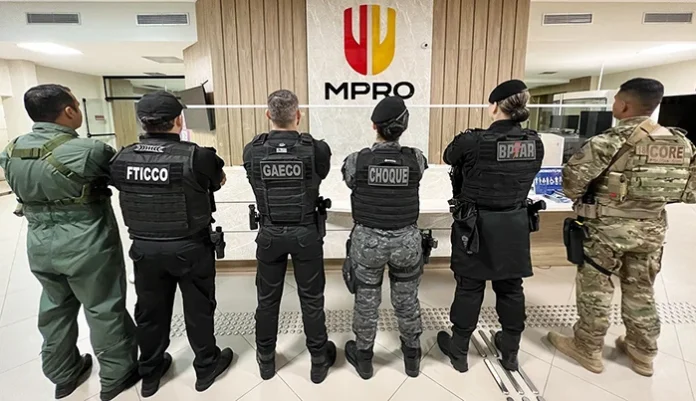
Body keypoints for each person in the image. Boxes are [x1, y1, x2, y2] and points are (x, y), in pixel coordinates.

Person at [548, 78, 696, 376]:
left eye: (616, 99)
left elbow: (571, 185)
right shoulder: (682, 144)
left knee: (596, 289)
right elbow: (690, 193)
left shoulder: (607, 142)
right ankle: (643, 353)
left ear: (625, 105)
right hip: (652, 231)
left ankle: (587, 348)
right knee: (641, 289)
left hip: (605, 232)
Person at [0, 84, 139, 400]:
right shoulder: (90, 150)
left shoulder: (11, 150)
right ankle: (117, 375)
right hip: (87, 242)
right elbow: (123, 177)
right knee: (103, 306)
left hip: (39, 243)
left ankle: (63, 375)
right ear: (69, 110)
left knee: (54, 308)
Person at [110, 91, 233, 397]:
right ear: (179, 120)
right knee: (199, 307)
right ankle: (205, 367)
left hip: (145, 248)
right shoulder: (198, 156)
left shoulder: (122, 158)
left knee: (150, 311)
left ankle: (150, 373)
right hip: (190, 247)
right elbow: (217, 181)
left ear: (142, 121)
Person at [437, 79, 544, 373]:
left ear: (494, 106)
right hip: (514, 224)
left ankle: (459, 351)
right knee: (511, 288)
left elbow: (448, 156)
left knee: (469, 287)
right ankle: (510, 352)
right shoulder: (534, 142)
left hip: (476, 226)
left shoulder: (473, 141)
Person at [243, 89, 336, 384]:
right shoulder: (317, 149)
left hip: (269, 234)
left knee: (267, 300)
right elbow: (321, 174)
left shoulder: (252, 150)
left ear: (268, 115)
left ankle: (266, 360)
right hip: (306, 233)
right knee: (312, 298)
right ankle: (318, 361)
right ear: (298, 115)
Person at [341, 96, 428, 379]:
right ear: (404, 127)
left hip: (368, 244)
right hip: (406, 243)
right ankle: (412, 359)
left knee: (366, 301)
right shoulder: (416, 159)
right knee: (407, 300)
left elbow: (350, 180)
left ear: (374, 126)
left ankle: (364, 359)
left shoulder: (356, 161)